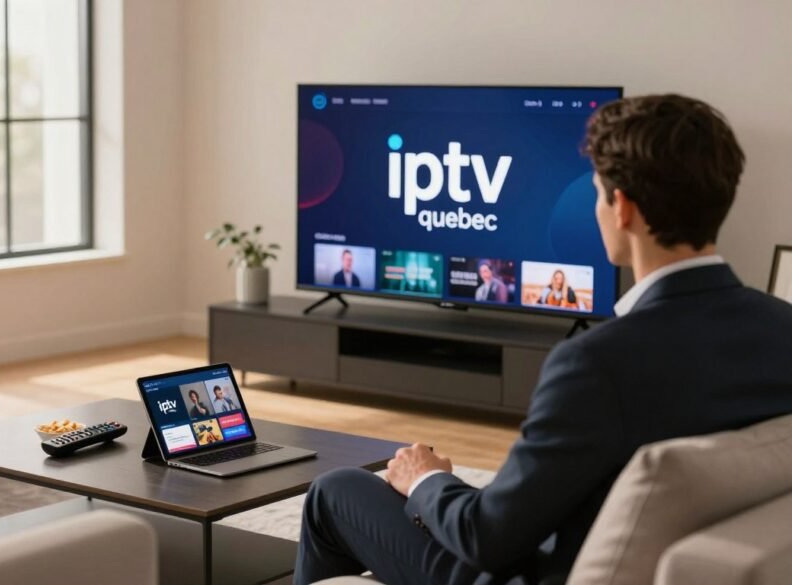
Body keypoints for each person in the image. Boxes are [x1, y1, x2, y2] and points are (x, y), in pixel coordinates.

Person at [294, 94, 792, 585]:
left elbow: (486, 538)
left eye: (596, 193)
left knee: (334, 490)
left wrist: (425, 478)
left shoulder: (596, 364)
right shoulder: (781, 326)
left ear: (622, 208)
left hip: (534, 569)